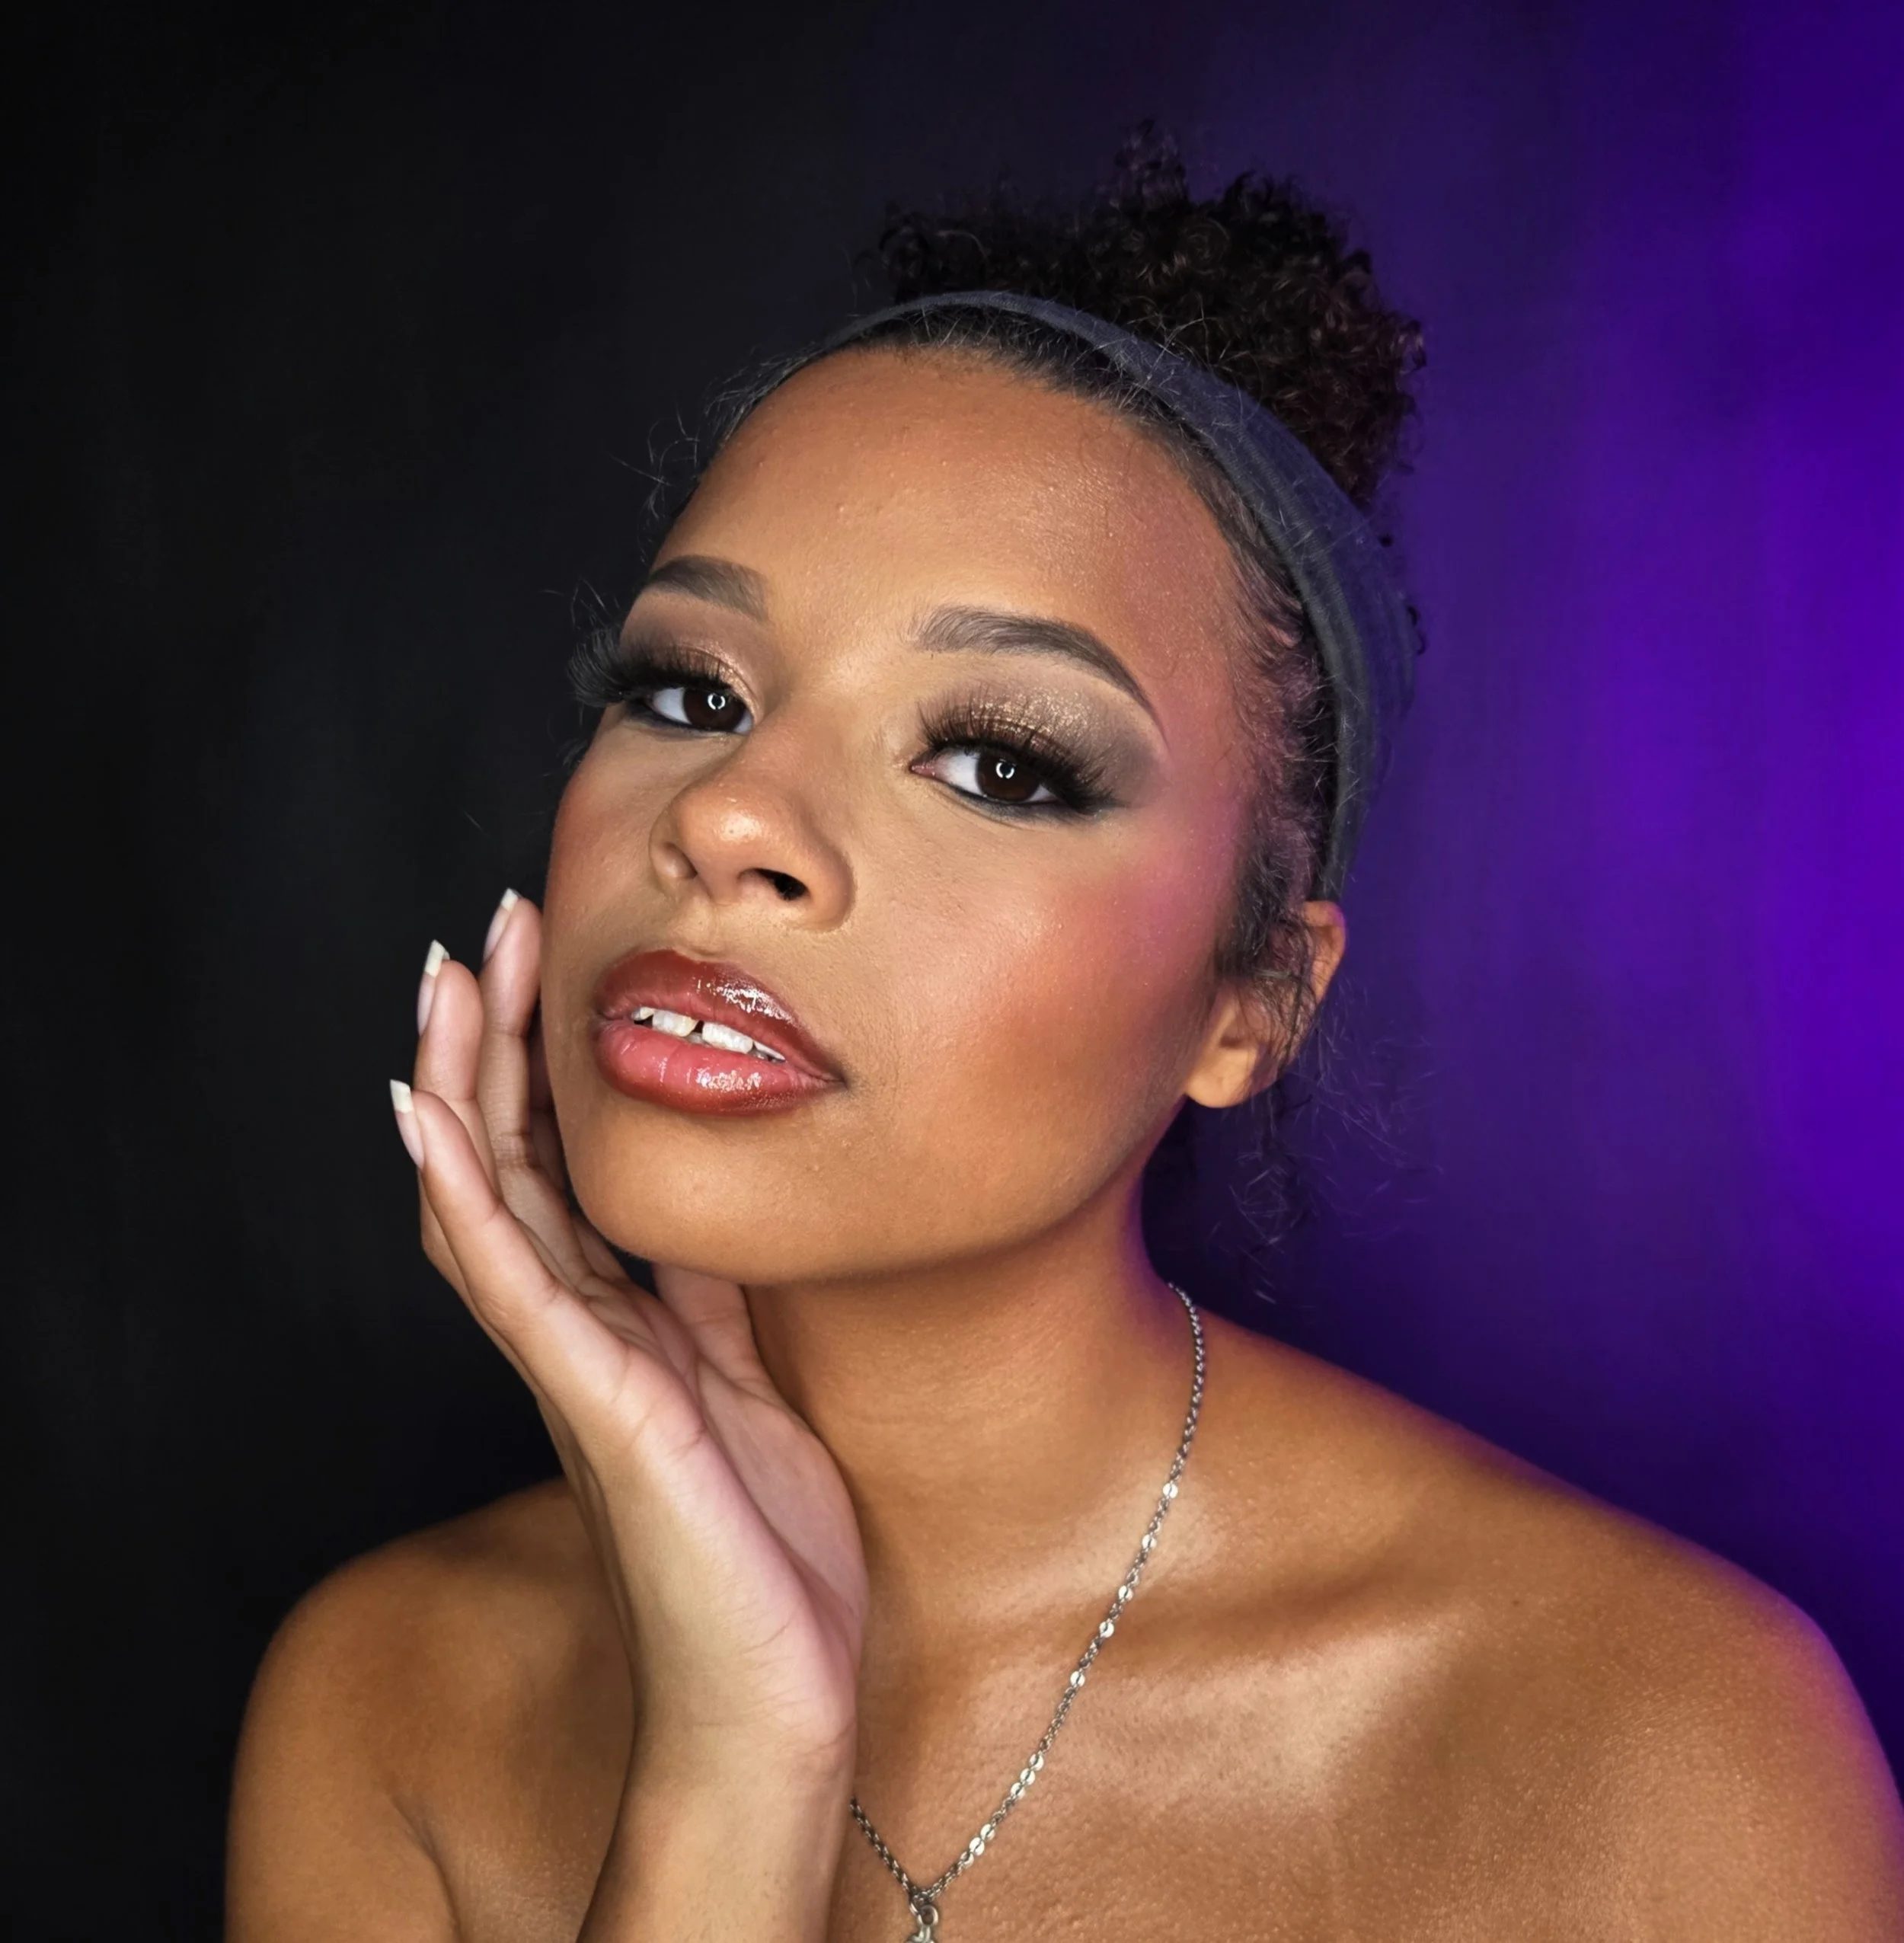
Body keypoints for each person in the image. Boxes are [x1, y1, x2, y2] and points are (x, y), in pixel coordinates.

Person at [225, 139, 1904, 1941]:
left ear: (1250, 1001)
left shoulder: (1664, 1748)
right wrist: (732, 1762)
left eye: (999, 762)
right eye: (690, 691)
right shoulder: (389, 1698)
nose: (727, 818)